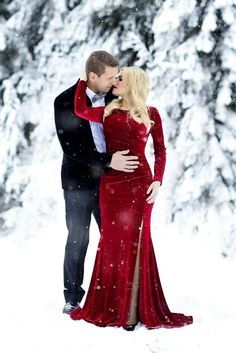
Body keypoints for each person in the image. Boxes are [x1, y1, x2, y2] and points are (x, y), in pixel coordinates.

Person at [70, 67, 193, 330]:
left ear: (132, 83)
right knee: (113, 242)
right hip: (112, 185)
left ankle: (132, 311)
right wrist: (83, 78)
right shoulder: (108, 112)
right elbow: (80, 109)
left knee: (138, 241)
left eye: (120, 77)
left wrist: (158, 181)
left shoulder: (151, 114)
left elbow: (160, 151)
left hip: (141, 186)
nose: (116, 80)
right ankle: (115, 305)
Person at [54, 51, 140, 314]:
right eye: (110, 77)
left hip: (112, 182)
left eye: (117, 76)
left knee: (116, 237)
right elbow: (71, 148)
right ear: (92, 76)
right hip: (78, 182)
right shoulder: (65, 101)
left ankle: (122, 295)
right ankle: (72, 297)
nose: (115, 81)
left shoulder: (116, 95)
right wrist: (107, 161)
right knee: (78, 238)